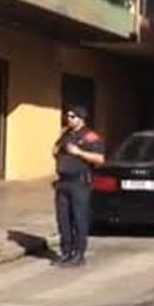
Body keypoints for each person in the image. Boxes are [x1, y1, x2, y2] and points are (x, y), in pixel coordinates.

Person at [52, 106, 105, 267]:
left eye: (72, 116)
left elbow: (99, 159)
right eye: (67, 116)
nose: (69, 118)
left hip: (79, 183)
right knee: (63, 219)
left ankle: (78, 254)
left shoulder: (90, 136)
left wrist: (79, 153)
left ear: (81, 118)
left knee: (79, 218)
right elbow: (55, 151)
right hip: (63, 182)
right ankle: (66, 252)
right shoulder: (66, 134)